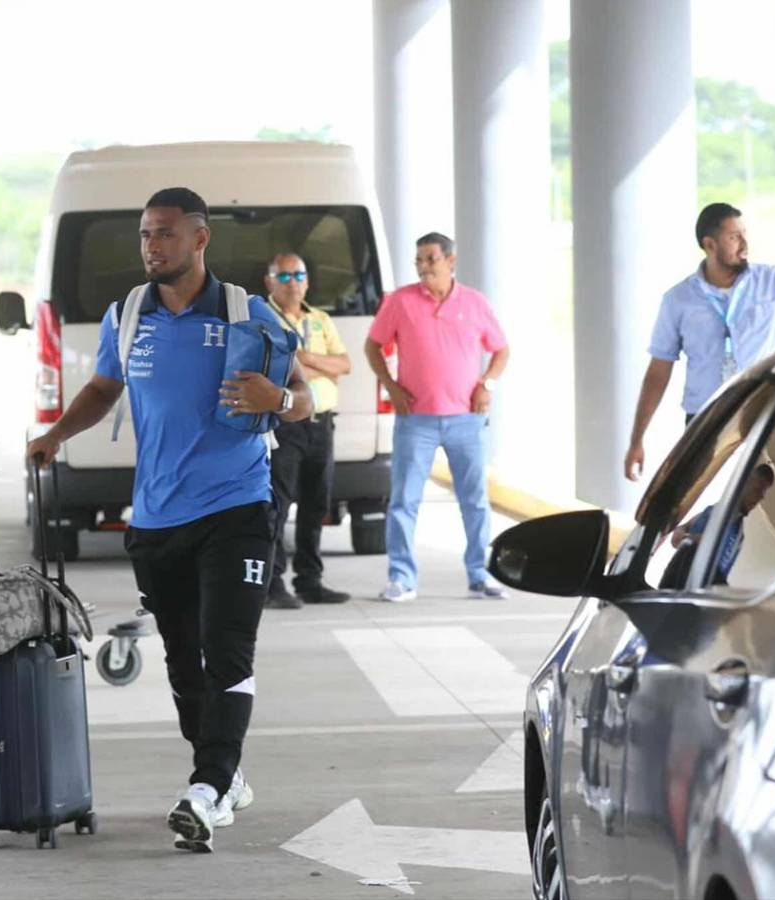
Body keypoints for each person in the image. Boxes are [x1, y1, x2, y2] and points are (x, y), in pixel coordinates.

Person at [26, 187, 314, 853]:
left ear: (199, 238)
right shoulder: (127, 315)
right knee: (184, 663)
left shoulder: (249, 312)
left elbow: (304, 400)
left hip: (238, 506)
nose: (152, 246)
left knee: (228, 649)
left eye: (164, 234)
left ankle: (207, 788)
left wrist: (279, 398)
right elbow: (103, 388)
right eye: (146, 235)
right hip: (156, 517)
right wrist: (56, 434)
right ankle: (225, 773)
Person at [363, 232, 510, 602]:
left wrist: (486, 384)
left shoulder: (475, 303)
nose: (424, 267)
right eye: (419, 260)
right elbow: (372, 346)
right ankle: (401, 578)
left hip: (466, 420)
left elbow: (501, 350)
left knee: (474, 500)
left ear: (450, 261)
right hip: (416, 420)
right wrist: (391, 387)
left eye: (430, 259)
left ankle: (480, 575)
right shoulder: (400, 302)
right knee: (403, 501)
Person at [625, 203, 775, 481]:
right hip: (706, 419)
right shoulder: (678, 300)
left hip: (766, 412)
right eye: (734, 237)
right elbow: (659, 370)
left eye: (744, 233)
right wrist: (637, 439)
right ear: (709, 244)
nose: (745, 243)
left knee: (764, 502)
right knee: (701, 501)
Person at [262, 252, 352, 609]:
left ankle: (310, 580)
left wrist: (305, 359)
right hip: (285, 424)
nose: (293, 282)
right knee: (277, 506)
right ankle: (272, 584)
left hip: (321, 423)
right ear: (269, 281)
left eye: (298, 275)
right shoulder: (263, 318)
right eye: (283, 277)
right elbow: (276, 370)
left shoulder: (320, 319)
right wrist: (314, 365)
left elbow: (343, 364)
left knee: (317, 505)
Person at [661, 463, 775, 588]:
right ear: (745, 482)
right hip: (675, 587)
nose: (758, 498)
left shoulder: (739, 537)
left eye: (762, 496)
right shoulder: (712, 511)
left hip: (700, 598)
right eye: (757, 490)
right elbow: (677, 535)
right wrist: (689, 540)